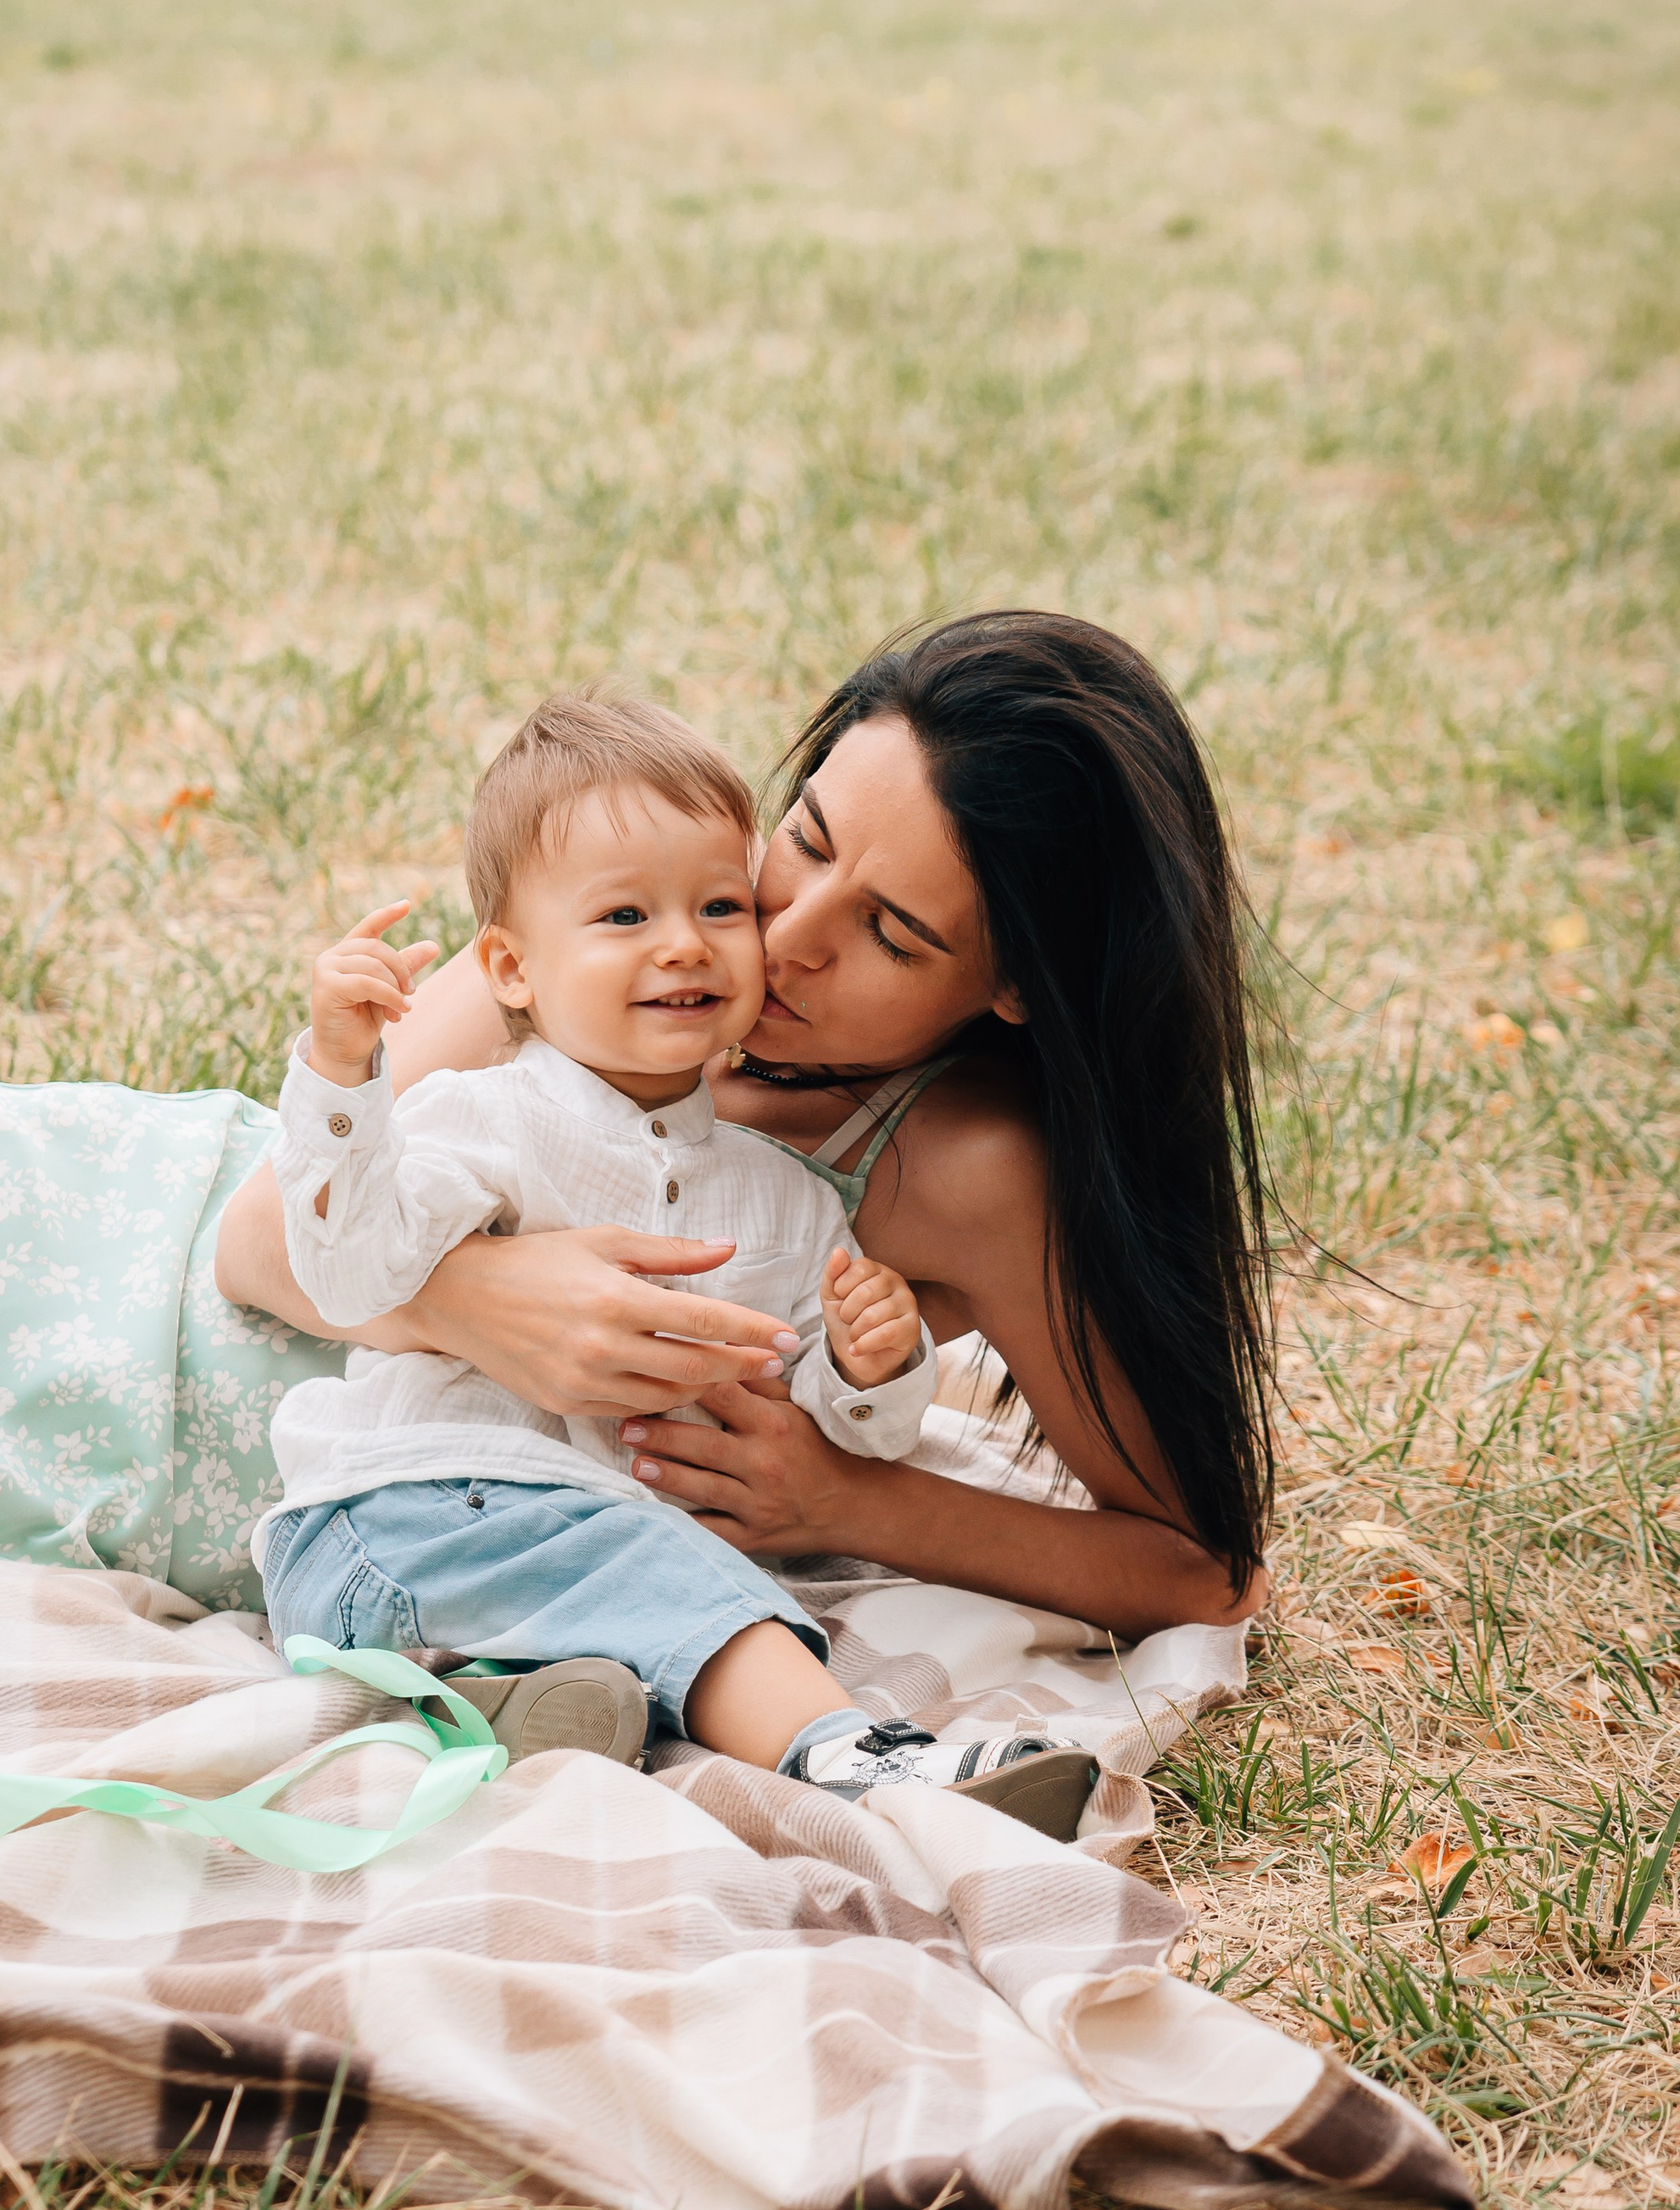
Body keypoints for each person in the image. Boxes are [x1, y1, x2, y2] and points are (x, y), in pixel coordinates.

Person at [218, 610, 1277, 1645]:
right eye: (807, 842)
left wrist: (845, 1502)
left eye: (892, 934)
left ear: (1017, 984)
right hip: (209, 1332)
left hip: (451, 1538)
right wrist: (484, 1301)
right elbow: (249, 1238)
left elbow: (1199, 1571)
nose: (789, 935)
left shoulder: (961, 1169)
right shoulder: (629, 939)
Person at [257, 690, 1093, 1818]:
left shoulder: (784, 1202)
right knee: (690, 1584)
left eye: (716, 903)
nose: (684, 942)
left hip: (550, 1571)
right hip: (394, 1523)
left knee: (644, 1578)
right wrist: (342, 1072)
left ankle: (512, 1702)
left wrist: (869, 1366)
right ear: (510, 967)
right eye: (624, 917)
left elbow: (850, 1432)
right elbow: (346, 1267)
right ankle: (858, 1757)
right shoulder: (479, 1119)